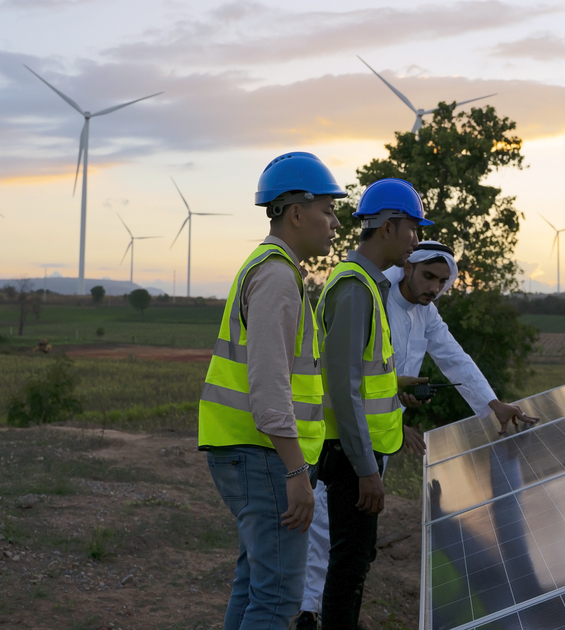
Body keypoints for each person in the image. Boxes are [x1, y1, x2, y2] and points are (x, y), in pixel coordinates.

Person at [296, 241, 538, 629]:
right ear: (407, 266)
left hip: (383, 434)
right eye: (428, 277)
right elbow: (351, 375)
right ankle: (309, 612)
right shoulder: (373, 297)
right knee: (327, 523)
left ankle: (335, 612)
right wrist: (394, 416)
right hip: (345, 432)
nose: (434, 288)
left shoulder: (427, 314)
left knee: (355, 533)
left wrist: (493, 405)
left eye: (442, 281)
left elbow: (454, 358)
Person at [198, 151, 346, 630]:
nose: (334, 221)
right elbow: (268, 385)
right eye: (327, 209)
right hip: (264, 455)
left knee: (255, 584)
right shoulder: (278, 276)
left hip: (247, 451)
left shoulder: (267, 268)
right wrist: (296, 470)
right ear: (296, 212)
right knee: (280, 599)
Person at [316, 178, 429, 630]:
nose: (416, 242)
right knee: (349, 563)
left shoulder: (368, 285)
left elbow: (360, 374)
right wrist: (367, 471)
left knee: (355, 559)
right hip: (350, 458)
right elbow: (342, 388)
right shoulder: (356, 288)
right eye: (413, 230)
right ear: (388, 227)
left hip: (357, 454)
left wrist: (392, 382)